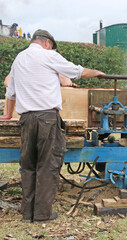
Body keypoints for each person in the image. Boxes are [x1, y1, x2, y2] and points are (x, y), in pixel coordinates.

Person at [1, 29, 104, 222]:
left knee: (29, 165)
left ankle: (27, 213)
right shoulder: (48, 56)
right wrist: (97, 72)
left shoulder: (19, 59)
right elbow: (78, 72)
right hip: (47, 118)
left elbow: (11, 93)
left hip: (26, 120)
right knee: (47, 165)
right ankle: (42, 214)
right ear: (47, 42)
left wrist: (7, 114)